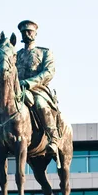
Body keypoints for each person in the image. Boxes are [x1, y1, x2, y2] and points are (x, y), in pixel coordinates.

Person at [16, 20, 60, 158]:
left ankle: (54, 138)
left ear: (35, 33)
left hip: (38, 89)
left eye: (29, 31)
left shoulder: (44, 53)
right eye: (24, 32)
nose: (27, 34)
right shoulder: (16, 55)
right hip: (17, 90)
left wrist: (30, 83)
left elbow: (49, 72)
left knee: (40, 104)